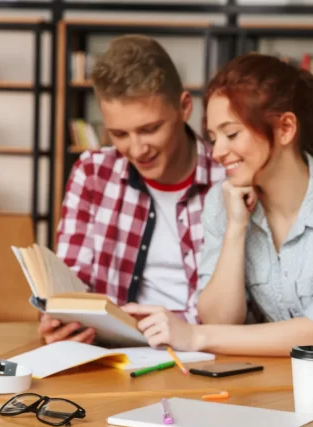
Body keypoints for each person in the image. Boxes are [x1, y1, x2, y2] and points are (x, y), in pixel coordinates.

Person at [122, 54, 313, 361]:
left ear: (285, 128)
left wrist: (192, 335)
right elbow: (219, 322)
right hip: (291, 376)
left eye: (231, 134)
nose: (218, 152)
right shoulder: (223, 202)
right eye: (213, 137)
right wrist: (235, 228)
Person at [40, 35, 224, 345]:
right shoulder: (93, 172)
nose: (137, 150)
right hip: (110, 354)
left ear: (185, 107)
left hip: (205, 354)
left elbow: (241, 312)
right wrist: (61, 322)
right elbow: (72, 286)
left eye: (150, 129)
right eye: (119, 134)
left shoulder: (228, 178)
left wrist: (170, 327)